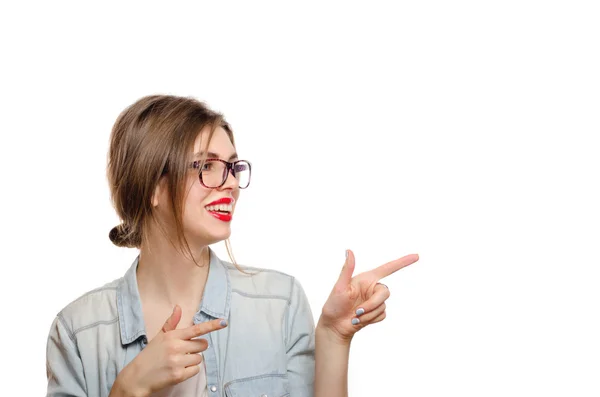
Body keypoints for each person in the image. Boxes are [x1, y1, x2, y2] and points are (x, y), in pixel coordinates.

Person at [45, 94, 419, 397]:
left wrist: (335, 335)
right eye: (206, 166)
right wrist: (129, 389)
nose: (231, 184)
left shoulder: (279, 302)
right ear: (154, 187)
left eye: (232, 166)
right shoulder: (79, 332)